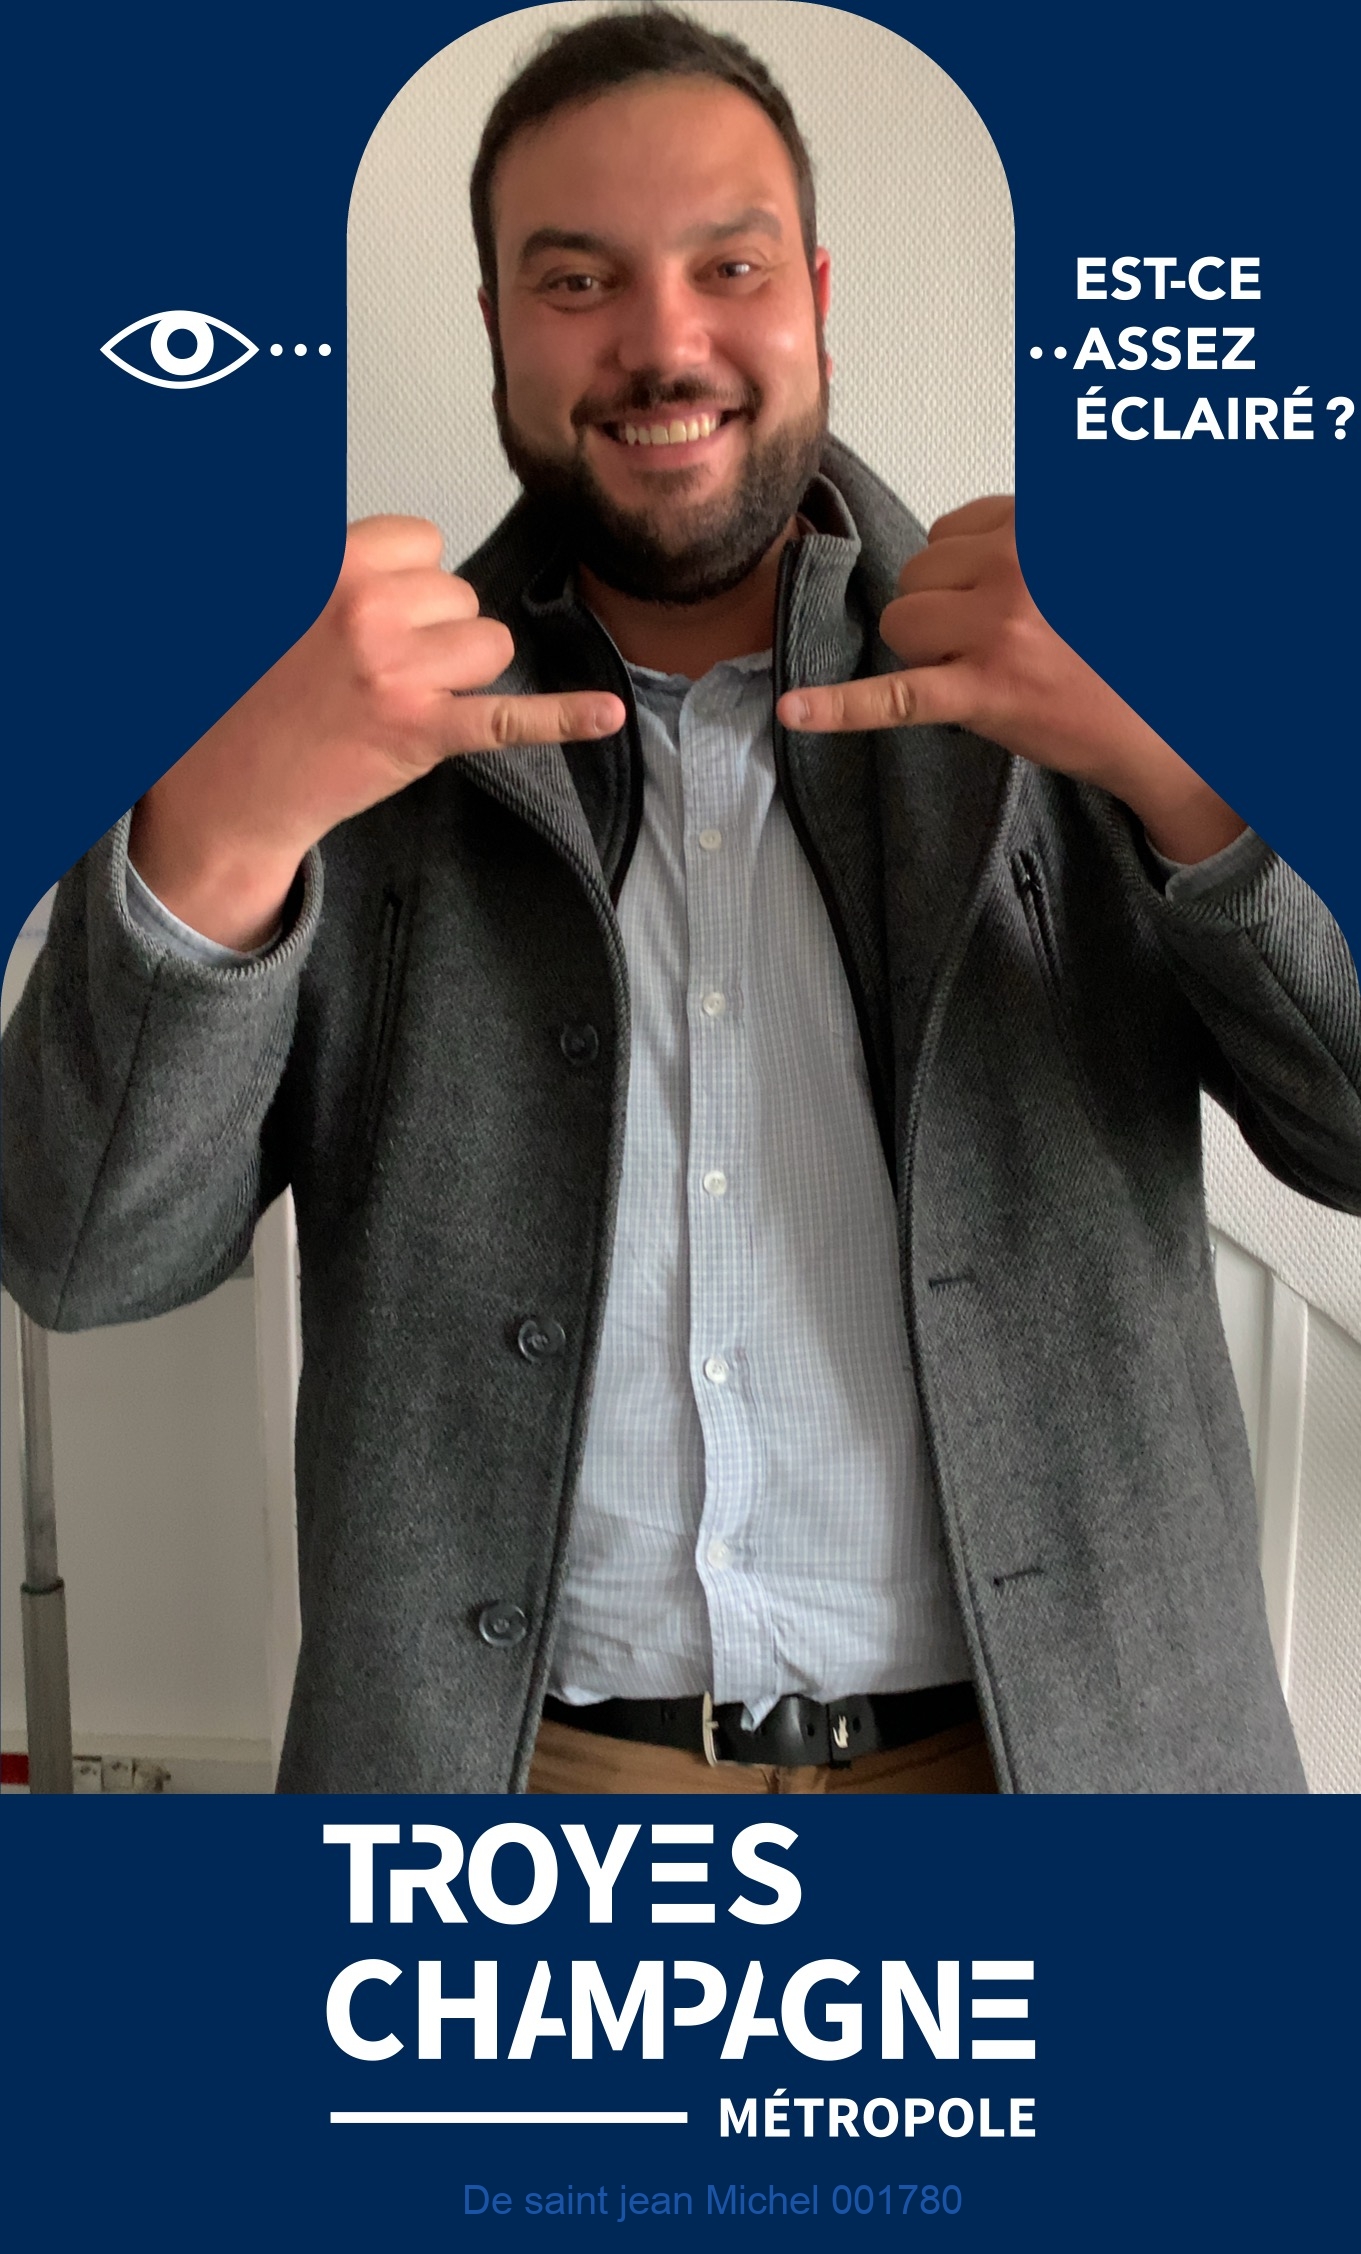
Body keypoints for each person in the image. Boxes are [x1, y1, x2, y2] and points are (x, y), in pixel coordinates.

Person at [4, 8, 1359, 1796]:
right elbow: (81, 1255)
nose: (662, 342)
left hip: (1072, 1771)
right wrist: (216, 838)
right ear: (494, 326)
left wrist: (1197, 782)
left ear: (813, 297)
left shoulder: (1088, 674)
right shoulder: (334, 732)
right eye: (577, 281)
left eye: (728, 266)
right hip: (523, 1794)